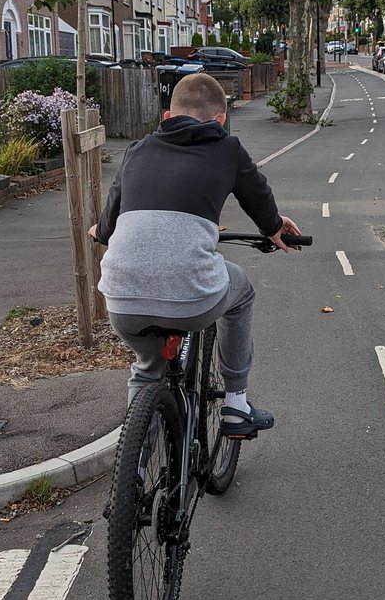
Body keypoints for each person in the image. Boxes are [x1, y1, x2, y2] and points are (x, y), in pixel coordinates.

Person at [89, 72, 301, 439]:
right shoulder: (228, 149)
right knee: (241, 291)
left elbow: (109, 220)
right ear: (221, 119)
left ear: (167, 116)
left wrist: (99, 231)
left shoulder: (136, 150)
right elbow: (258, 197)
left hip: (122, 300)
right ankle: (236, 405)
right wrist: (273, 228)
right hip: (193, 299)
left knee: (146, 370)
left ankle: (135, 464)